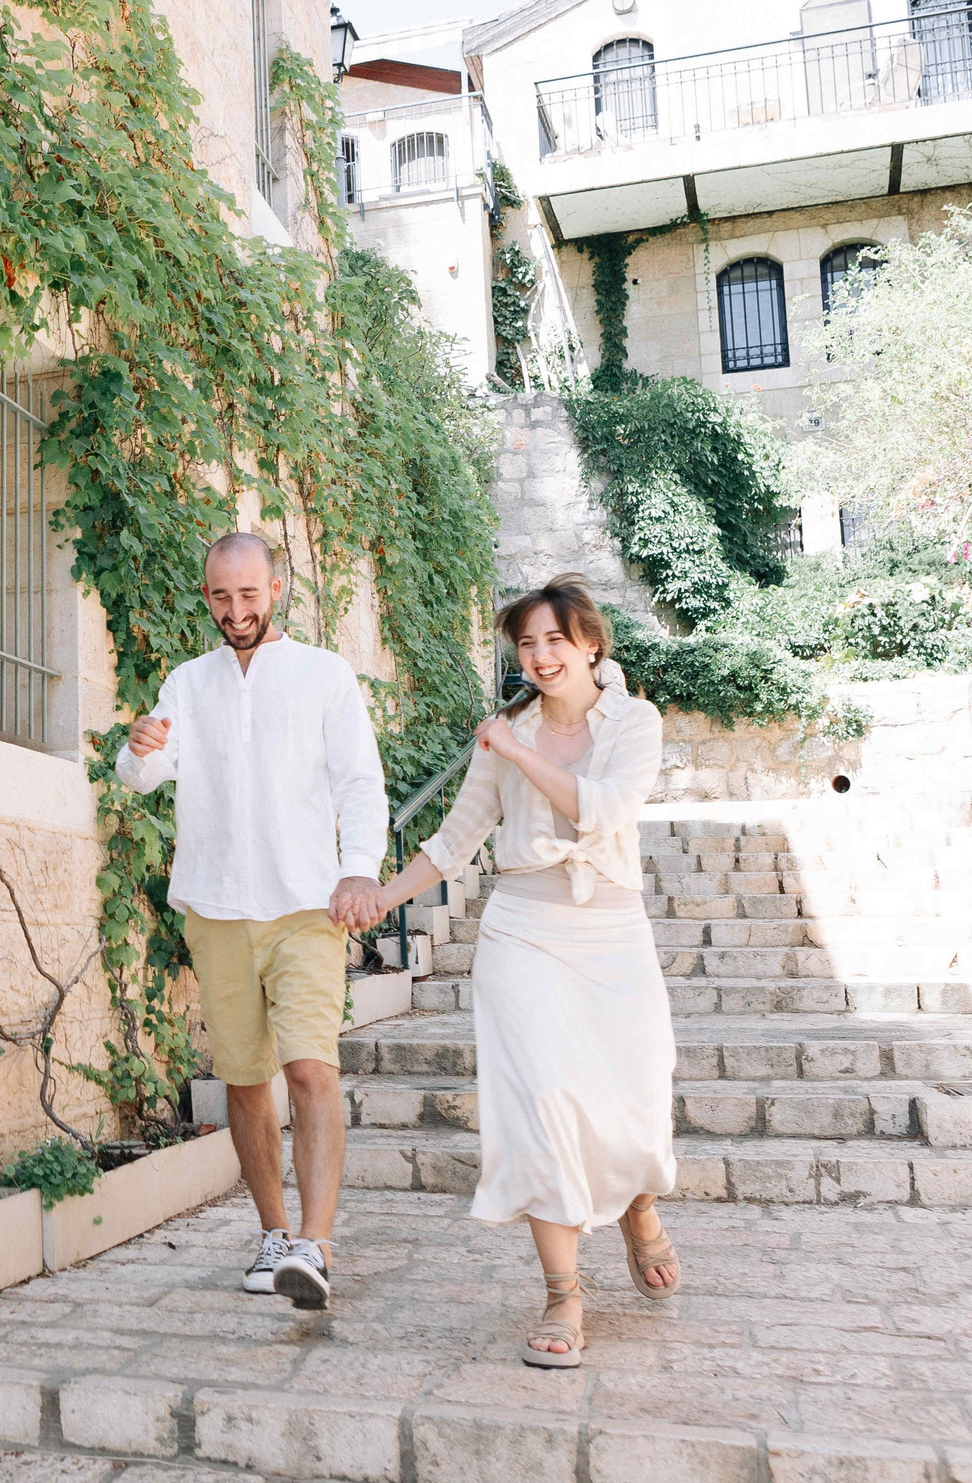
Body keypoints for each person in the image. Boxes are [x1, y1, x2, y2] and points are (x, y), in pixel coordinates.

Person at [366, 574, 680, 1368]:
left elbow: (602, 809)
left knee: (631, 1099)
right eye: (526, 644)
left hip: (610, 934)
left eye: (553, 640)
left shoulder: (634, 722)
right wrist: (381, 896)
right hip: (523, 933)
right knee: (541, 1102)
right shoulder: (508, 732)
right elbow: (454, 838)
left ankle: (640, 1204)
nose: (538, 656)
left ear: (590, 645)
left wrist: (516, 749)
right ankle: (563, 1292)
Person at [116, 531, 386, 1311]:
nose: (234, 610)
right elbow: (144, 774)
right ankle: (274, 1234)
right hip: (217, 905)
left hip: (306, 901)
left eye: (247, 593)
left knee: (310, 1068)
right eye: (219, 596)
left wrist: (360, 865)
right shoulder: (188, 682)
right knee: (243, 1079)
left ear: (276, 588)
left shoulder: (323, 675)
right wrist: (139, 749)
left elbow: (359, 781)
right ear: (208, 596)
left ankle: (318, 1242)